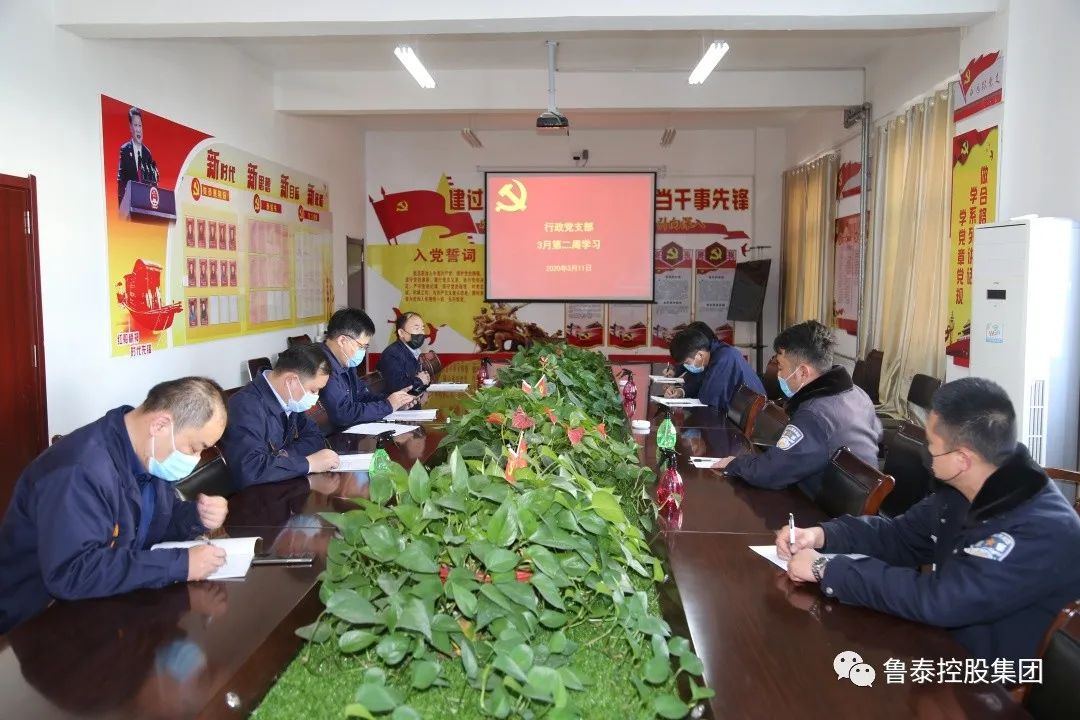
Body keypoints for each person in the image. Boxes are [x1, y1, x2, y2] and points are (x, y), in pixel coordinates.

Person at [780, 377, 1080, 664]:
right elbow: (898, 537)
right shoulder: (967, 485)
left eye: (932, 446)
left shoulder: (1040, 530)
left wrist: (826, 568)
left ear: (962, 459)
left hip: (992, 680)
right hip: (939, 642)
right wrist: (822, 535)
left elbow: (941, 600)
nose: (926, 452)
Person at [0, 377, 230, 633]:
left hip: (102, 606)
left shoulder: (147, 454)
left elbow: (154, 523)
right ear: (160, 425)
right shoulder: (80, 470)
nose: (195, 459)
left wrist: (195, 516)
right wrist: (179, 564)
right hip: (32, 624)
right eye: (194, 447)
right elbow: (72, 572)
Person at [712, 320, 881, 496]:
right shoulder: (858, 394)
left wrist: (736, 464)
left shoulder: (813, 415)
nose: (778, 374)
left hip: (821, 506)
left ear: (803, 372)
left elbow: (772, 472)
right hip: (856, 502)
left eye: (781, 367)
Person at [220, 343, 339, 488]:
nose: (316, 397)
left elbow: (315, 439)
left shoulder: (290, 399)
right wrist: (308, 464)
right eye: (313, 390)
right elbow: (250, 469)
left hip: (283, 486)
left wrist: (281, 457)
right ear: (291, 381)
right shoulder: (244, 407)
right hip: (255, 496)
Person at [318, 308, 414, 432]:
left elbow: (362, 396)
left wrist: (395, 401)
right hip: (331, 437)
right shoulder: (321, 366)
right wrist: (388, 406)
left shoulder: (346, 362)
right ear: (342, 341)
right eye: (361, 346)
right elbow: (342, 414)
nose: (363, 352)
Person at [666, 328, 764, 413]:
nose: (687, 367)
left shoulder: (723, 358)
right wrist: (680, 392)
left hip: (753, 417)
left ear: (700, 355)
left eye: (687, 362)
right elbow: (700, 383)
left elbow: (708, 399)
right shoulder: (712, 353)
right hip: (739, 412)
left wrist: (680, 402)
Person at [378, 312, 431, 393]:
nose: (422, 333)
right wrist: (419, 380)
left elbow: (417, 380)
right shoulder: (392, 354)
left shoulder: (414, 352)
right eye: (417, 329)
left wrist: (425, 382)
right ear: (401, 333)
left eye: (422, 329)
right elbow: (396, 387)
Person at [662, 321, 718, 398]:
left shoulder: (719, 359)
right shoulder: (699, 357)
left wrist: (680, 390)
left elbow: (699, 383)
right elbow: (691, 377)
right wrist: (679, 390)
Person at [117, 106, 158, 206]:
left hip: (145, 205)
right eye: (135, 125)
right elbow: (121, 181)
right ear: (130, 127)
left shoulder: (147, 153)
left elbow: (152, 184)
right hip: (130, 203)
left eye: (140, 126)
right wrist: (122, 206)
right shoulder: (125, 150)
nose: (139, 129)